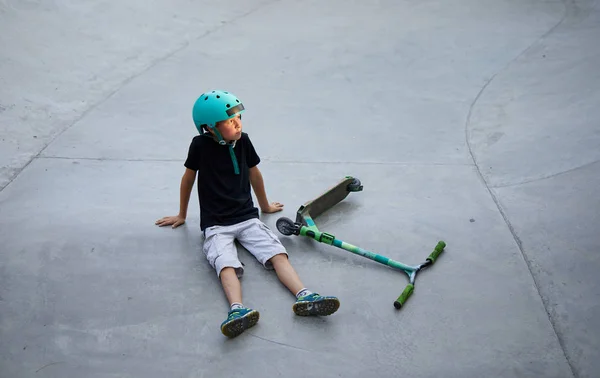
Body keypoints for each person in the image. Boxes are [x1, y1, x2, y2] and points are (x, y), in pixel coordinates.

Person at [155, 90, 340, 338]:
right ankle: (237, 310)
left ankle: (305, 295)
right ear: (210, 128)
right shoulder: (199, 145)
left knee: (277, 253)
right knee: (225, 263)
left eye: (238, 118)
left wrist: (264, 206)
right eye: (230, 122)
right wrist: (181, 214)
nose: (238, 123)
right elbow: (188, 179)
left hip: (247, 217)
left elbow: (254, 174)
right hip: (217, 224)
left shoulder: (244, 141)